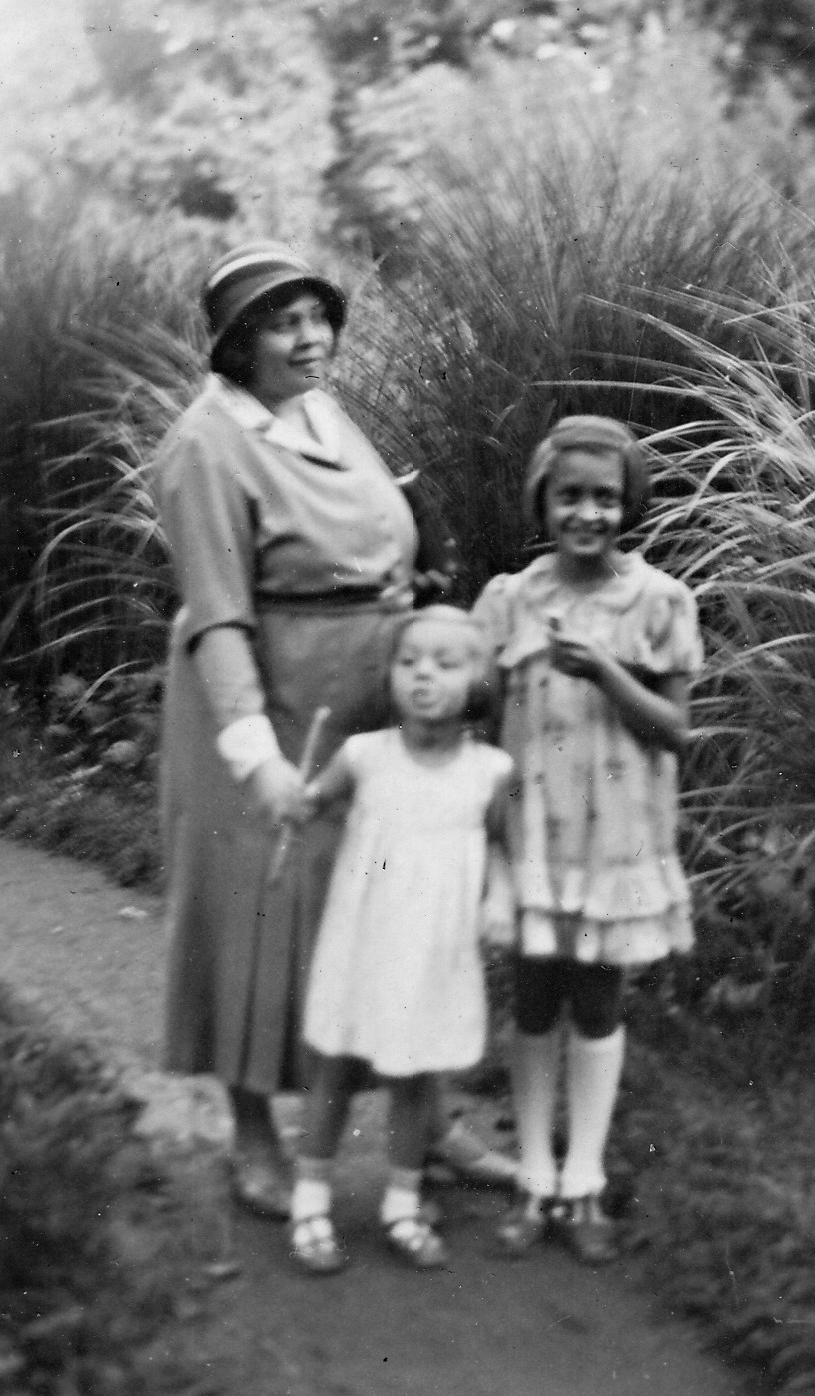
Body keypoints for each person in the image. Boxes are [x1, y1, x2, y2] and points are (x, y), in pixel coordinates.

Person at [155, 243, 513, 1219]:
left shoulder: (316, 409)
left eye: (319, 317)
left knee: (389, 907)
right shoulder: (205, 446)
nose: (311, 338)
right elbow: (218, 615)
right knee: (257, 914)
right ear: (239, 343)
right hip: (264, 710)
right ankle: (252, 1133)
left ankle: (422, 1121)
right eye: (285, 323)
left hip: (367, 699)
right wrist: (254, 756)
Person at [473, 416, 703, 1265]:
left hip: (617, 841)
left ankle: (585, 1182)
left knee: (599, 1003)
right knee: (534, 1001)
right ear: (544, 500)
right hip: (534, 834)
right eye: (570, 495)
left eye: (606, 497)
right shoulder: (510, 598)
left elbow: (675, 730)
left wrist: (605, 669)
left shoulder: (659, 600)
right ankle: (534, 1177)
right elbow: (485, 715)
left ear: (628, 503)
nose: (588, 513)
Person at [287, 607, 515, 1273]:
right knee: (336, 1064)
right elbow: (310, 803)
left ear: (479, 681)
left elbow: (502, 845)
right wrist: (297, 802)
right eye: (409, 661)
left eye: (446, 664)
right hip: (364, 940)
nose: (423, 675)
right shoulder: (364, 756)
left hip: (434, 948)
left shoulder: (491, 770)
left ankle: (403, 1203)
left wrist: (500, 899)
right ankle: (309, 1201)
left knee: (418, 1073)